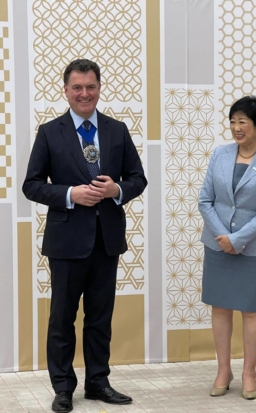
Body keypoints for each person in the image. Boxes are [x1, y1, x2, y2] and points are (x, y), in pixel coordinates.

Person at [23, 59, 147, 413]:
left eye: (90, 86)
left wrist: (116, 190)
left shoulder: (116, 130)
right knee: (62, 317)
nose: (84, 93)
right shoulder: (50, 132)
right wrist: (69, 195)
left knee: (99, 316)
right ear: (65, 91)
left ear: (99, 88)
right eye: (77, 87)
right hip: (66, 242)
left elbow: (138, 178)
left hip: (106, 240)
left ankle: (98, 382)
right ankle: (62, 387)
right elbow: (31, 185)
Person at [198, 96, 256, 400]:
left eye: (243, 122)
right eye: (233, 121)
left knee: (250, 310)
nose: (236, 127)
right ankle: (224, 369)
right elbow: (205, 200)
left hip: (254, 248)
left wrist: (238, 239)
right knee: (220, 308)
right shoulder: (220, 155)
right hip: (217, 244)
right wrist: (223, 236)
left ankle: (250, 371)